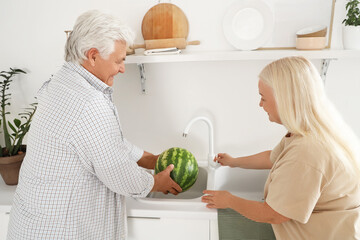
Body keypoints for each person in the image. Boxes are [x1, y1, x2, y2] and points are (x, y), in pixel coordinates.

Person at [7, 10, 181, 240]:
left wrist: (149, 159)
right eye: (119, 60)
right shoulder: (89, 103)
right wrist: (154, 183)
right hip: (61, 231)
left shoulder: (62, 81)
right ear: (93, 56)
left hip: (33, 226)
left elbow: (103, 142)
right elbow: (118, 173)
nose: (122, 69)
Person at [202, 56, 360, 239]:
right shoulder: (308, 131)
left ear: (285, 100)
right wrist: (234, 162)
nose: (260, 105)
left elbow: (274, 214)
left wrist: (229, 200)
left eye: (263, 98)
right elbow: (272, 157)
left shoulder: (307, 152)